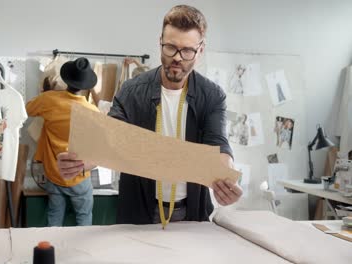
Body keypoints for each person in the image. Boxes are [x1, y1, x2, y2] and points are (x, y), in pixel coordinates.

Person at [57, 5, 242, 224]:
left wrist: (226, 178)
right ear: (160, 42)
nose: (178, 58)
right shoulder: (131, 90)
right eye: (170, 47)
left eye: (188, 50)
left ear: (200, 50)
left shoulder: (212, 95)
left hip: (192, 212)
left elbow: (218, 143)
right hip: (139, 209)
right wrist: (81, 162)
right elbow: (109, 138)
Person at [26, 57, 99, 226]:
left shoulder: (49, 100)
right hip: (79, 176)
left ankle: (52, 250)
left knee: (54, 216)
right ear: (86, 86)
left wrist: (46, 95)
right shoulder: (93, 112)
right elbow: (98, 148)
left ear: (66, 79)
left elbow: (28, 109)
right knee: (84, 217)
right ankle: (82, 251)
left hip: (54, 172)